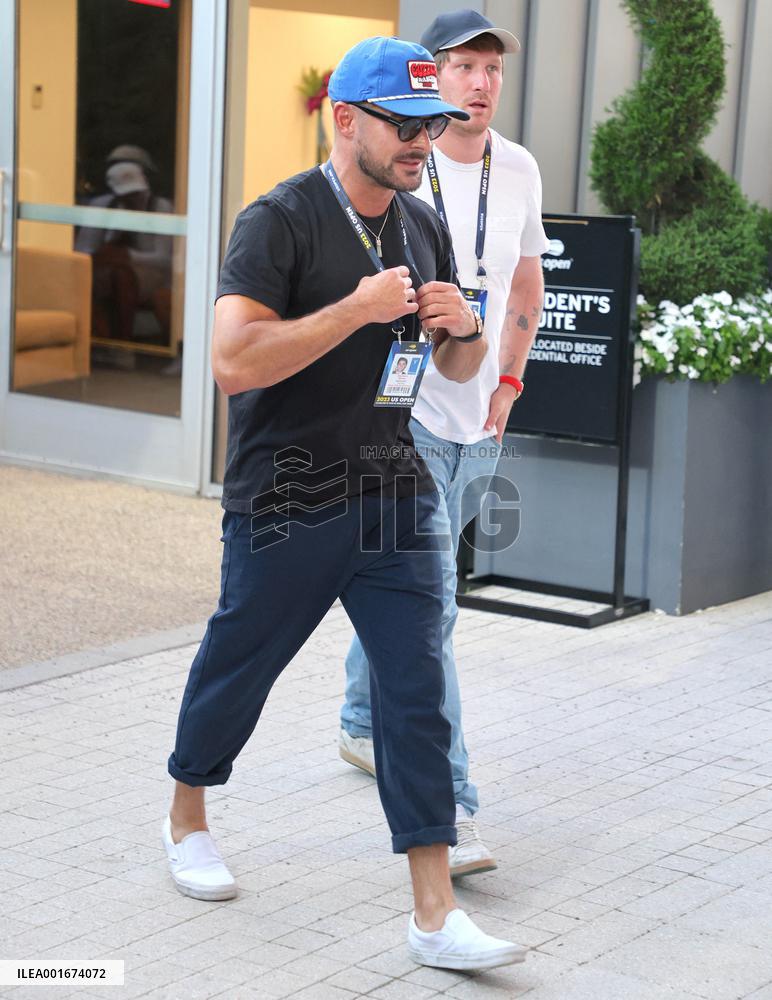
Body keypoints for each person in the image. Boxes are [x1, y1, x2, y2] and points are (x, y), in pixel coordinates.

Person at [163, 36, 527, 971]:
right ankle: (188, 814)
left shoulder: (421, 220)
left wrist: (466, 332)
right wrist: (356, 311)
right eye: (402, 126)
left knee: (415, 690)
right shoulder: (276, 222)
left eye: (430, 125)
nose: (420, 142)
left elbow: (450, 365)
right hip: (286, 489)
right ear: (346, 120)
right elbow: (233, 362)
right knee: (242, 664)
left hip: (392, 487)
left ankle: (434, 913)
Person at [339, 10, 549, 878]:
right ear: (431, 78)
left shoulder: (522, 167)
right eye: (461, 66)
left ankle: (359, 723)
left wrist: (509, 380)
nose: (478, 83)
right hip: (407, 421)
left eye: (490, 68)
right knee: (431, 612)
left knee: (408, 596)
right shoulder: (402, 170)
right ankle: (450, 809)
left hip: (478, 419)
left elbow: (525, 278)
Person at [75, 149, 173, 346]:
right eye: (126, 194)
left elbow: (165, 259)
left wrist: (125, 255)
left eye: (137, 193)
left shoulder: (160, 207)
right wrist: (102, 256)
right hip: (106, 271)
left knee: (122, 276)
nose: (133, 199)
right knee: (83, 280)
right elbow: (83, 249)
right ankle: (97, 344)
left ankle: (123, 345)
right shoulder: (101, 206)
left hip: (150, 276)